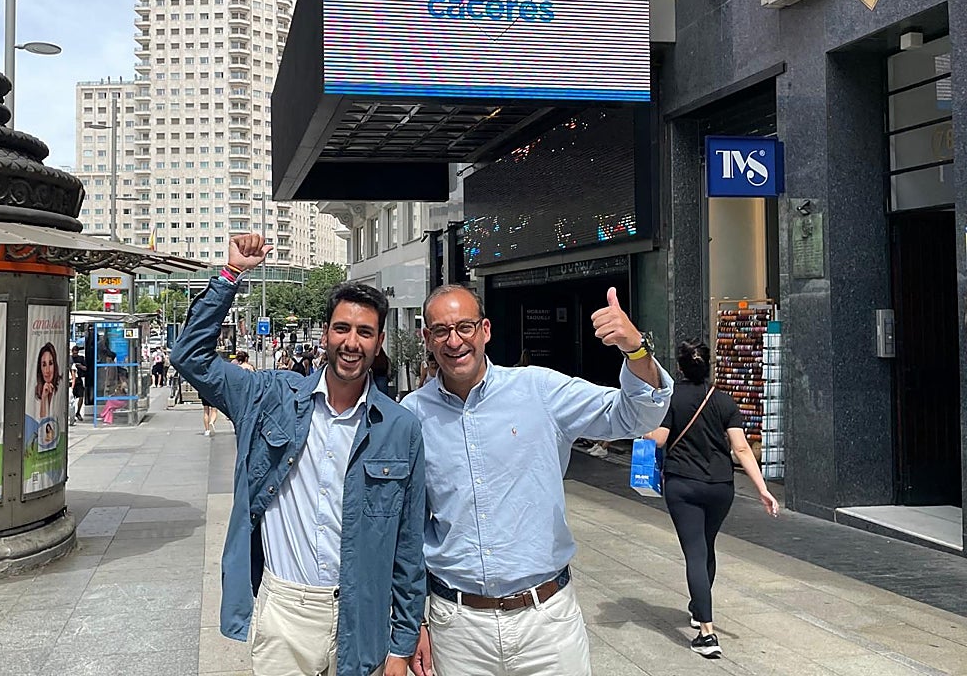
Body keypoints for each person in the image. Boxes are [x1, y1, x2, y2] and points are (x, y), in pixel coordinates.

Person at [172, 233, 426, 676]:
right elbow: (190, 357)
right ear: (326, 333)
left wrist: (402, 645)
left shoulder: (400, 427)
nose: (351, 342)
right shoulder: (268, 396)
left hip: (363, 614)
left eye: (364, 332)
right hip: (286, 610)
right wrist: (230, 275)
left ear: (379, 341)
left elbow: (408, 547)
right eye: (342, 328)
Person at [405, 284, 673, 676]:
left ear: (485, 330)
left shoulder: (539, 390)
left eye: (465, 327)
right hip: (458, 629)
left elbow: (635, 416)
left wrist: (636, 350)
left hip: (546, 624)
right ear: (427, 338)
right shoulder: (411, 416)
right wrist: (414, 621)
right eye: (442, 331)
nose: (455, 341)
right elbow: (407, 529)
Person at [644, 339, 780, 659]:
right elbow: (741, 449)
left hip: (683, 485)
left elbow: (659, 439)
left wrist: (644, 427)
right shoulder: (723, 400)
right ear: (709, 366)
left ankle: (706, 633)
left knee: (694, 552)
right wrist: (762, 489)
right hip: (721, 487)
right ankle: (697, 608)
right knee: (706, 545)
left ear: (680, 367)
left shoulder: (671, 398)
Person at [33, 342, 61, 420]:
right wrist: (43, 398)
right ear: (40, 368)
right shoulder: (36, 393)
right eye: (44, 365)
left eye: (50, 363)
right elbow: (42, 422)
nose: (47, 370)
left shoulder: (60, 389)